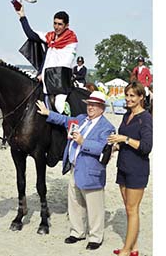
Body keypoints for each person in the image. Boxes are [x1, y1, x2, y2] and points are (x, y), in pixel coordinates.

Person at [36, 91, 115, 250]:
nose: (91, 107)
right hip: (75, 167)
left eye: (94, 105)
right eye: (89, 104)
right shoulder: (81, 119)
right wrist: (47, 113)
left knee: (94, 206)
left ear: (102, 108)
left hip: (91, 171)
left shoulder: (107, 127)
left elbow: (103, 149)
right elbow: (64, 120)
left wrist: (83, 141)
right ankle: (77, 232)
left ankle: (95, 237)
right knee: (75, 203)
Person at [107, 81, 153, 256]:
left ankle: (126, 250)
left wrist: (124, 139)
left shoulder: (146, 118)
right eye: (127, 95)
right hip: (123, 166)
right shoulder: (127, 115)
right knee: (128, 208)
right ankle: (133, 248)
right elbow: (124, 140)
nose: (128, 98)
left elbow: (146, 147)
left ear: (141, 97)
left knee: (132, 209)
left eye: (132, 95)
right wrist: (115, 146)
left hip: (137, 168)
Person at [16, 6, 78, 114]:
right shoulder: (50, 37)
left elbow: (63, 63)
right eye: (55, 23)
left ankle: (68, 126)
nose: (56, 27)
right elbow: (31, 34)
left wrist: (43, 75)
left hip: (59, 80)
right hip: (45, 76)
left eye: (60, 24)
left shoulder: (71, 41)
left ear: (66, 25)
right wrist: (22, 16)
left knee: (59, 105)